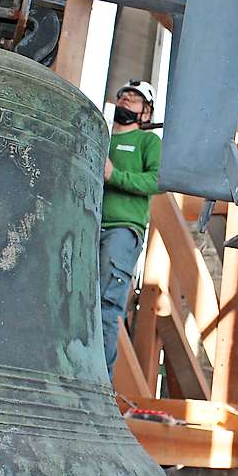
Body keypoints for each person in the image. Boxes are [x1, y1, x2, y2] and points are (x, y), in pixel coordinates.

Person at [99, 80, 162, 377]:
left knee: (105, 307)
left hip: (121, 230)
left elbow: (157, 181)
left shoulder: (149, 143)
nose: (125, 100)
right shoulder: (100, 137)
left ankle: (100, 385)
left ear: (145, 114)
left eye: (134, 99)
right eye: (123, 96)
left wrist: (116, 176)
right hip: (88, 225)